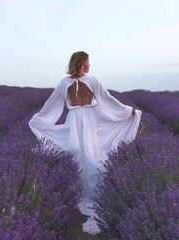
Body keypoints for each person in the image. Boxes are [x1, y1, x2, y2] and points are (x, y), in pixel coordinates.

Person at [29, 51, 141, 235]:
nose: (90, 65)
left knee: (90, 153)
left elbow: (106, 100)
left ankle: (91, 193)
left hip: (90, 120)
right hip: (76, 120)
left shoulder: (92, 80)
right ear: (81, 63)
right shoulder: (64, 83)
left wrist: (127, 111)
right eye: (88, 62)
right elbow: (52, 104)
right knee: (76, 153)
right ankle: (77, 192)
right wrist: (39, 120)